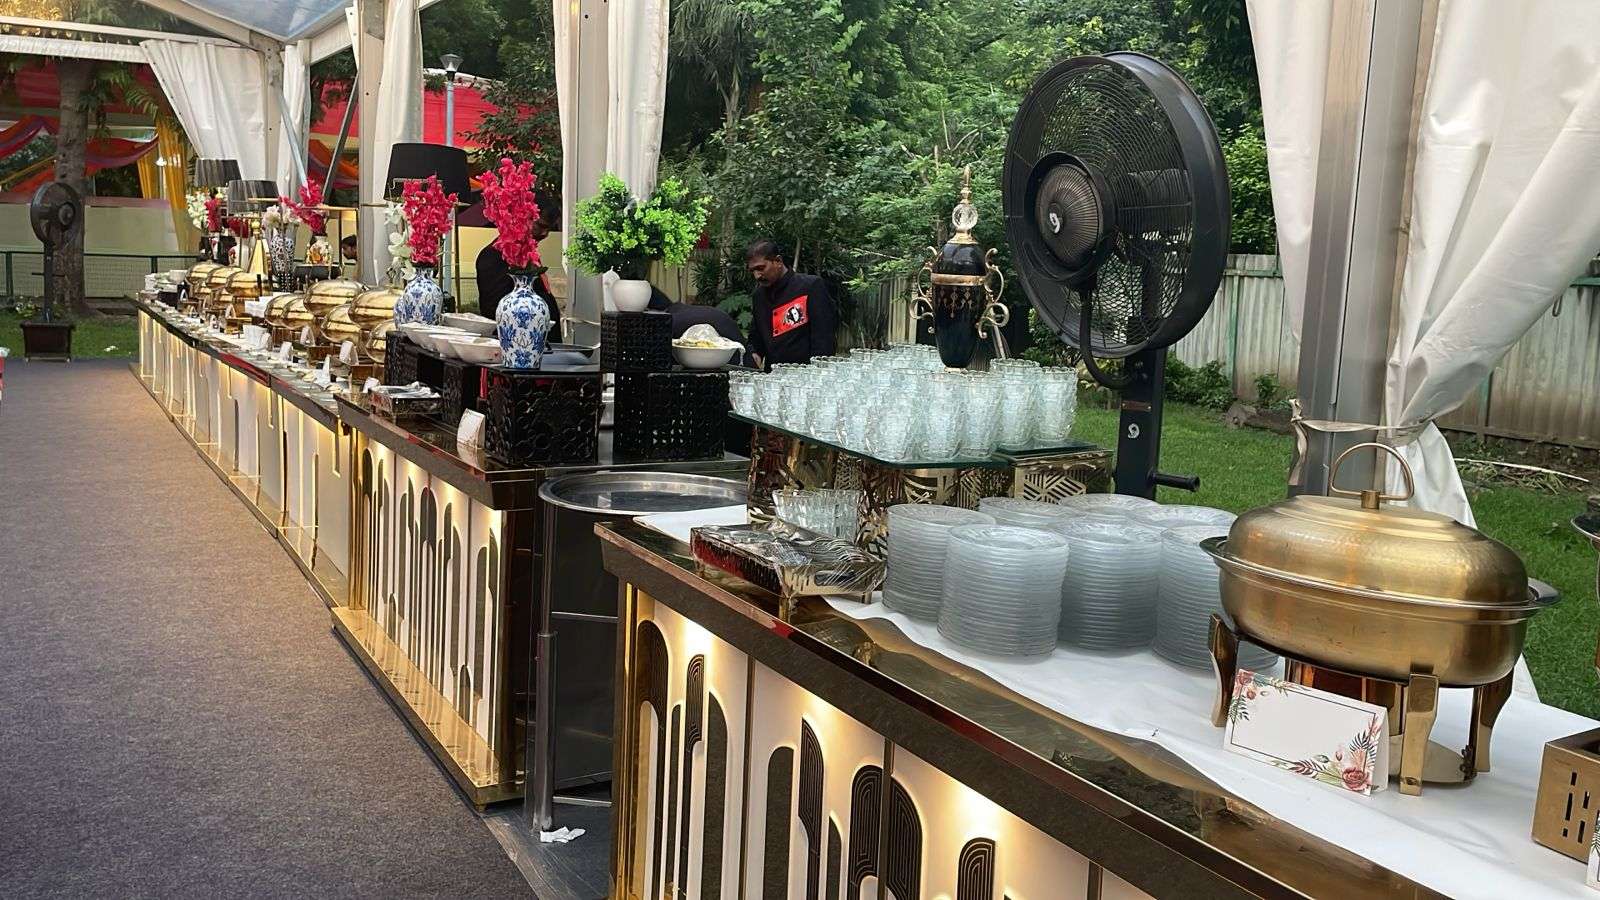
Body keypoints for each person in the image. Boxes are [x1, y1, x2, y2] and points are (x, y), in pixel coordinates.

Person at [743, 239, 835, 369]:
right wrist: (754, 353)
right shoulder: (759, 296)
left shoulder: (810, 287)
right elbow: (756, 337)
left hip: (806, 375)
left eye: (761, 268)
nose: (757, 276)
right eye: (752, 271)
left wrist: (819, 372)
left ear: (778, 261)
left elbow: (824, 339)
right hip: (772, 376)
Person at [476, 214, 561, 337]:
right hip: (519, 340)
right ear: (521, 218)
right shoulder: (494, 255)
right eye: (540, 226)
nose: (545, 234)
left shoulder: (526, 254)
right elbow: (493, 309)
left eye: (550, 229)